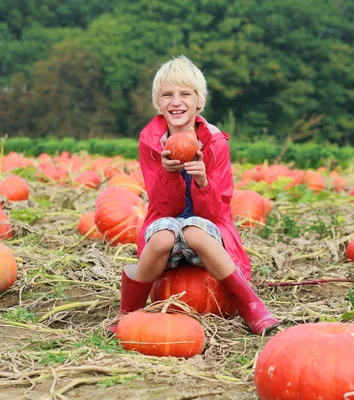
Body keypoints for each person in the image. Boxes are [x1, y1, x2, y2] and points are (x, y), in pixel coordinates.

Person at [118, 55, 278, 335]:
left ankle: (250, 305)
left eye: (185, 94)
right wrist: (168, 173)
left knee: (194, 230)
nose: (175, 101)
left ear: (199, 101)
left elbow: (215, 213)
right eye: (167, 95)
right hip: (165, 224)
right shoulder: (150, 142)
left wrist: (202, 180)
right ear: (158, 103)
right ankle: (129, 312)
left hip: (206, 232)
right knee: (164, 235)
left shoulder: (215, 143)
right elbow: (162, 206)